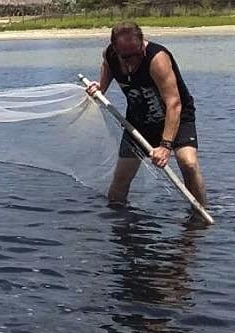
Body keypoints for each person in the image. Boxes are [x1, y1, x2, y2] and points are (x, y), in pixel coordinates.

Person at [85, 21, 207, 213]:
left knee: (188, 163)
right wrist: (101, 87)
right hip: (138, 122)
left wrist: (166, 147)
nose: (132, 61)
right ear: (115, 50)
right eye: (126, 57)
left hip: (175, 118)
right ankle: (116, 223)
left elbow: (174, 103)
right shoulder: (110, 55)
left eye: (136, 54)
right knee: (121, 178)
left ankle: (199, 213)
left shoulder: (157, 59)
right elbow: (108, 66)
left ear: (142, 44)